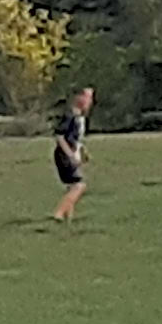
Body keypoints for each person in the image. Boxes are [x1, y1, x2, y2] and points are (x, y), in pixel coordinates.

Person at [48, 86, 94, 223]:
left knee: (72, 187)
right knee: (79, 186)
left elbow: (76, 139)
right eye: (87, 97)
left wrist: (83, 151)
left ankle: (68, 218)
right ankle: (59, 213)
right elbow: (59, 136)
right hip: (64, 155)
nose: (90, 101)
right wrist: (70, 154)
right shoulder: (70, 116)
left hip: (71, 153)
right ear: (79, 98)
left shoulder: (80, 117)